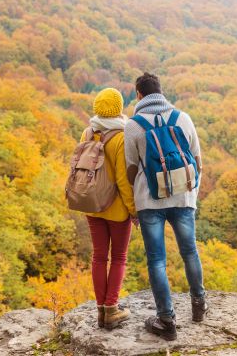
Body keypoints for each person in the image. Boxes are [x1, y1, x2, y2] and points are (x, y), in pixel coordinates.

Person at [125, 73, 208, 341]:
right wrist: (191, 192)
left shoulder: (134, 125)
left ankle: (166, 319)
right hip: (183, 198)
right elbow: (196, 158)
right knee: (189, 251)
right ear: (161, 92)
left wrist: (136, 201)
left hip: (150, 201)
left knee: (157, 260)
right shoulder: (182, 118)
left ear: (139, 95)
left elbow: (131, 168)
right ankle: (199, 305)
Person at [83, 88, 137, 329]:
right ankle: (111, 309)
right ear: (119, 108)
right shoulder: (121, 137)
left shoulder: (88, 131)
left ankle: (100, 312)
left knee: (98, 257)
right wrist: (134, 210)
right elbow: (125, 182)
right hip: (116, 210)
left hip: (92, 205)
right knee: (118, 257)